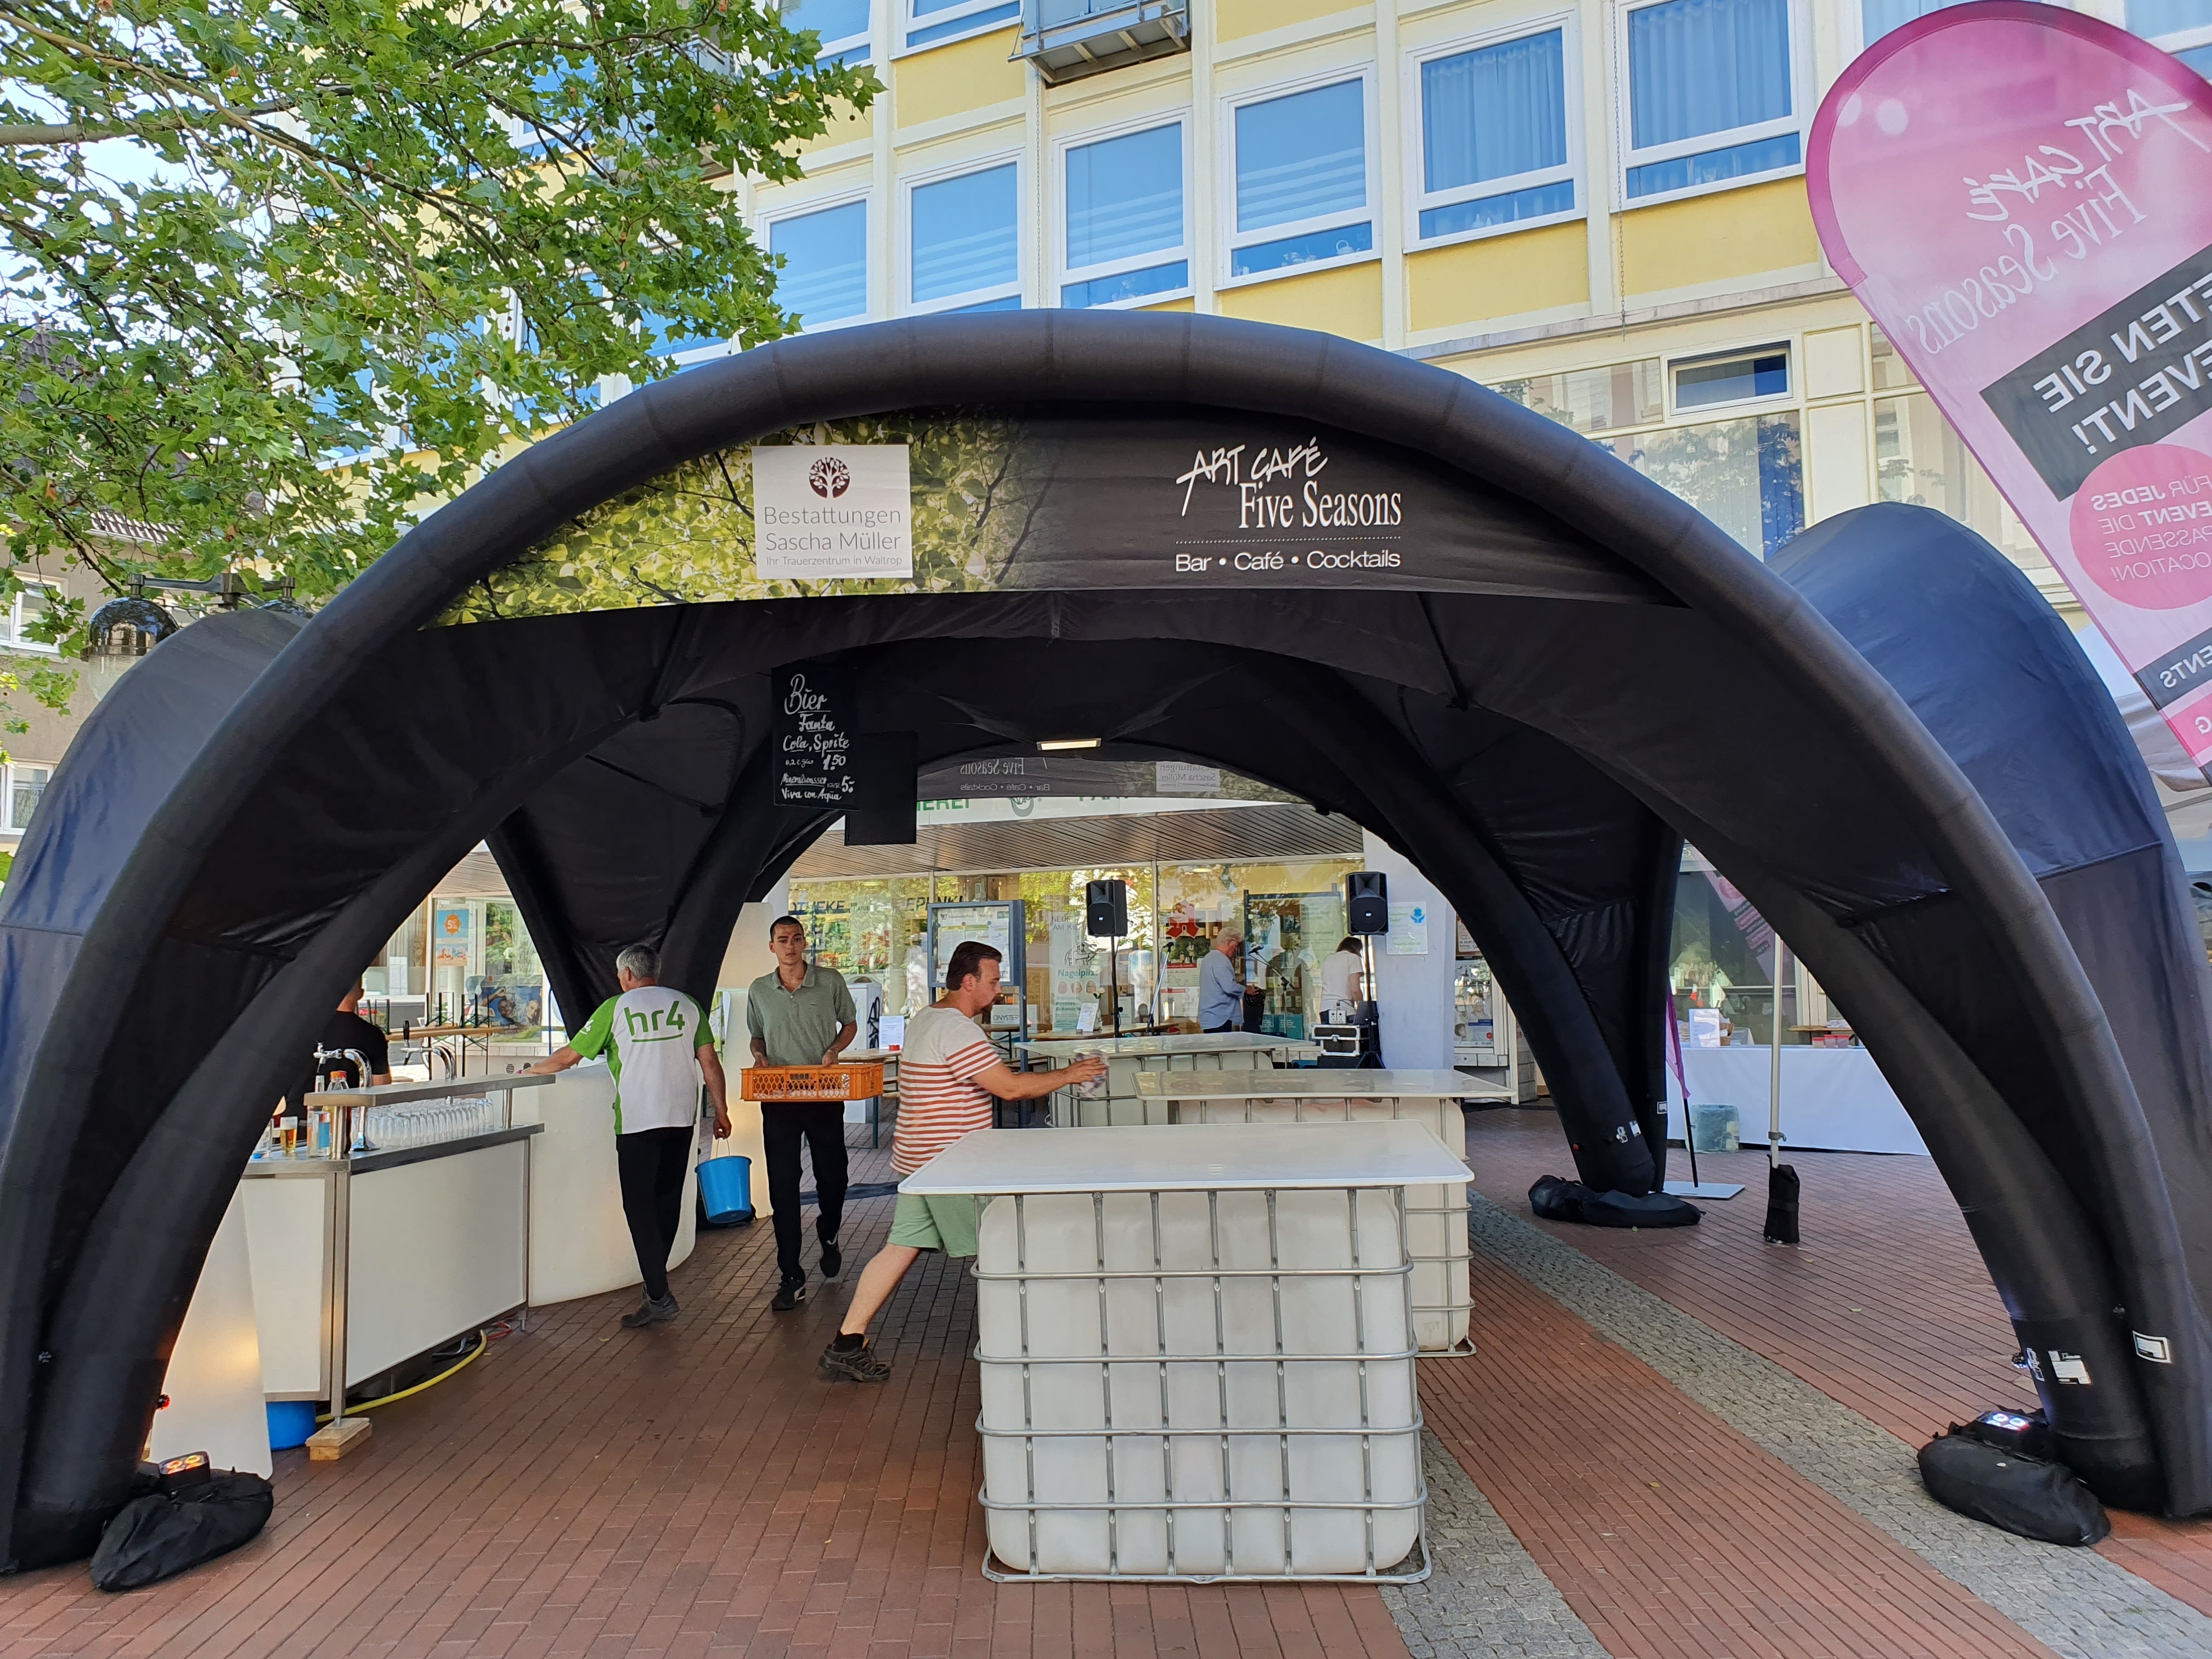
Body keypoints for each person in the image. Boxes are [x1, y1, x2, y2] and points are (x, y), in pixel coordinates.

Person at [819, 940, 1104, 1384]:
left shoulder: (926, 1018)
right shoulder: (958, 1031)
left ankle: (847, 1341)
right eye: (993, 980)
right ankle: (1017, 1349)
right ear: (969, 982)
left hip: (920, 1162)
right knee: (1000, 1251)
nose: (999, 989)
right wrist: (1071, 1074)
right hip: (951, 1166)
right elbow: (1009, 1088)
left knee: (899, 1249)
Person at [527, 943, 729, 1329]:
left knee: (639, 1207)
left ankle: (659, 1295)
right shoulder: (687, 1005)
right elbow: (710, 1062)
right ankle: (656, 1289)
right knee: (667, 1201)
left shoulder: (615, 1008)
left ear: (627, 975)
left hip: (638, 1120)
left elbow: (568, 1058)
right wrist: (721, 1110)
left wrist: (527, 1073)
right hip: (681, 1119)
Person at [747, 915, 859, 1312]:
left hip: (823, 1092)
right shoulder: (760, 989)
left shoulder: (830, 981)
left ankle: (829, 1232)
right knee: (783, 1185)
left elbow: (850, 1024)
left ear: (804, 942)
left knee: (834, 1177)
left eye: (796, 939)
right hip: (779, 1097)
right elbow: (757, 1035)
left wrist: (834, 1050)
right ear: (772, 946)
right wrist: (759, 1055)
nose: (790, 946)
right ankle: (791, 1276)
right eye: (783, 940)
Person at [287, 979, 393, 1111]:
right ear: (361, 994)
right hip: (344, 1114)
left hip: (295, 1113)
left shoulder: (299, 1028)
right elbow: (381, 1086)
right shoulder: (372, 1034)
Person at [1198, 927, 1245, 1034]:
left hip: (1212, 1017)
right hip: (1220, 1017)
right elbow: (1230, 987)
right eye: (1236, 946)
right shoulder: (1221, 959)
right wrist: (1245, 989)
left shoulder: (1209, 958)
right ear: (1229, 942)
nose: (1236, 950)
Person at [1320, 936, 1365, 1015]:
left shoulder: (1328, 960)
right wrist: (1362, 1009)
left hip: (1325, 1008)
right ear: (1357, 949)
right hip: (1343, 1007)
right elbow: (1355, 990)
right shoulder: (1353, 958)